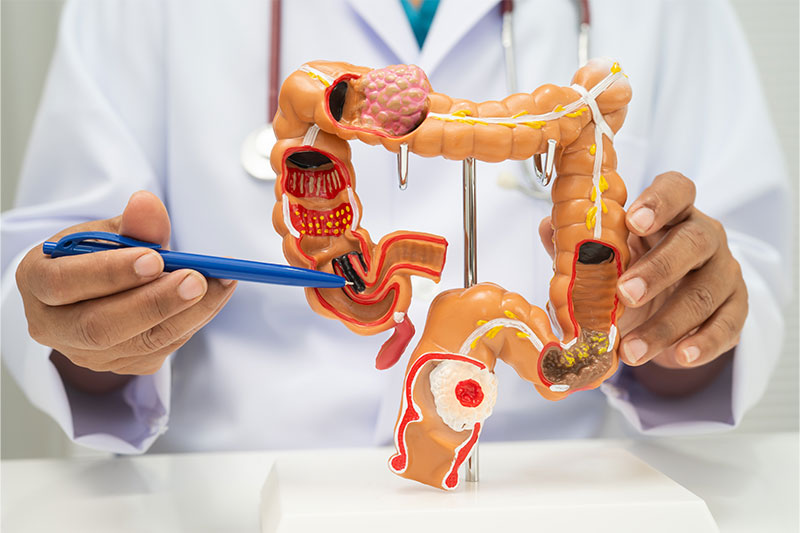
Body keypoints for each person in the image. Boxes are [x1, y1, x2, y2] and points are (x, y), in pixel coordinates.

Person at [1, 0, 791, 455]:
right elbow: (54, 269)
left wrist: (678, 324)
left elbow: (741, 267)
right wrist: (96, 333)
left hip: (548, 490)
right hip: (233, 492)